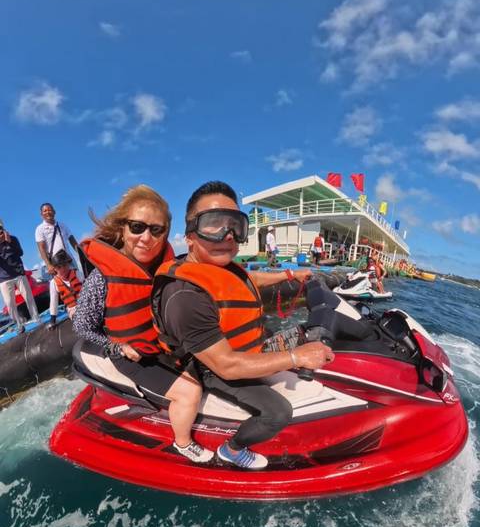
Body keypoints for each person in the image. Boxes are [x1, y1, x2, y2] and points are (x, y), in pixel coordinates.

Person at [153, 181, 334, 471]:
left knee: (313, 334)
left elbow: (249, 281)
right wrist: (297, 357)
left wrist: (291, 274)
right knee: (277, 412)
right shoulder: (184, 296)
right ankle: (232, 450)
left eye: (235, 225)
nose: (228, 235)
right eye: (214, 225)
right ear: (189, 235)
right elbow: (226, 366)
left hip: (246, 345)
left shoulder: (222, 268)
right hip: (211, 367)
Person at [73, 184, 214, 464]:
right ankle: (183, 443)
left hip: (162, 345)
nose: (146, 237)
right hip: (132, 355)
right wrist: (118, 347)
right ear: (123, 228)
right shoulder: (102, 278)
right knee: (190, 392)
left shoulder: (166, 269)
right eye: (137, 227)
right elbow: (81, 327)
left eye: (156, 230)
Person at [35, 202, 80, 322]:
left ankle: (83, 302)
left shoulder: (63, 225)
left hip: (69, 259)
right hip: (56, 263)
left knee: (77, 281)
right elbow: (41, 247)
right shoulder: (40, 229)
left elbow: (72, 240)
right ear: (41, 214)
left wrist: (82, 253)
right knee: (57, 287)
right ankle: (59, 313)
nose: (48, 212)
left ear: (54, 211)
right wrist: (48, 264)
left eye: (50, 210)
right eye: (45, 211)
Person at [0, 220, 40, 332]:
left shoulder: (13, 239)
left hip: (19, 274)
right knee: (9, 303)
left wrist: (10, 242)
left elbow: (20, 253)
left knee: (28, 297)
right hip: (3, 279)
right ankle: (18, 325)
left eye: (1, 231)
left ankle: (36, 318)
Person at [50, 249, 83, 325]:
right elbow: (53, 301)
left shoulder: (77, 273)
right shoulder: (53, 283)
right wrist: (53, 319)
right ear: (55, 269)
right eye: (59, 267)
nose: (62, 269)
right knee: (78, 318)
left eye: (64, 265)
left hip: (85, 303)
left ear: (68, 264)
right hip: (72, 309)